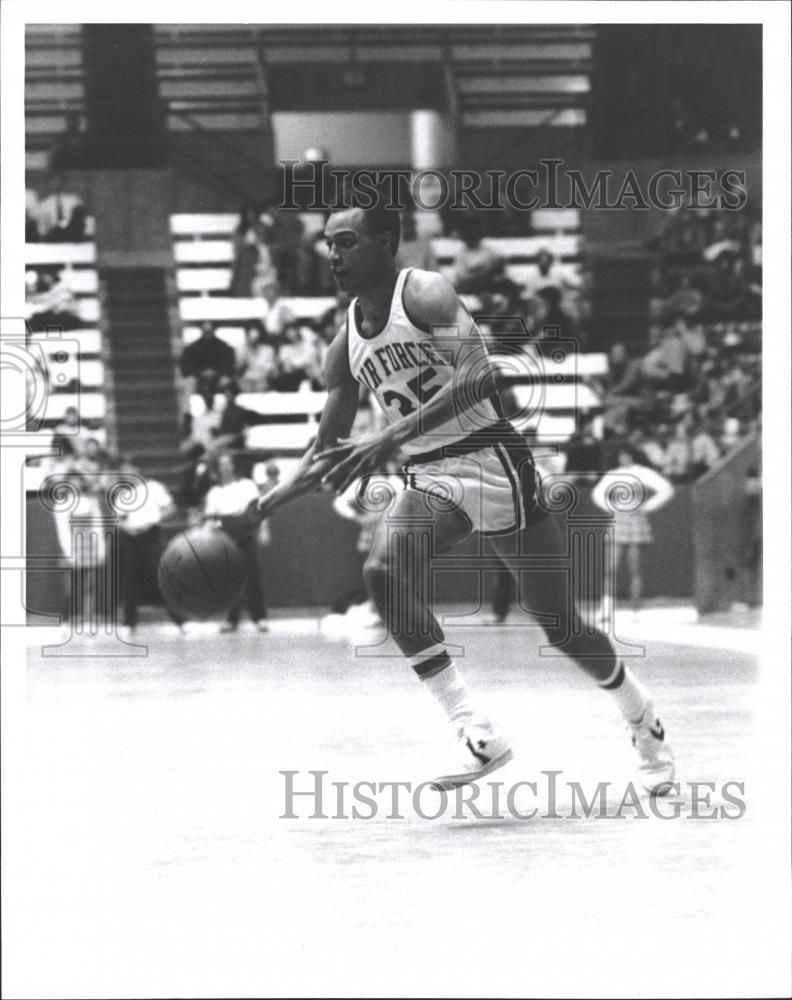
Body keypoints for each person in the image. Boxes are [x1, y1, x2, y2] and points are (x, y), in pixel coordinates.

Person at [247, 200, 675, 794]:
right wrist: (268, 499)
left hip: (492, 456)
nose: (333, 254)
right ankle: (475, 729)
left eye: (345, 241)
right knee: (383, 570)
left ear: (385, 243)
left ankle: (642, 716)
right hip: (430, 473)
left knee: (560, 626)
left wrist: (389, 436)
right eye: (328, 243)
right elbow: (327, 445)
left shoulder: (424, 293)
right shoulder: (344, 344)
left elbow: (481, 377)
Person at [591, 445, 675, 617]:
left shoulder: (643, 473)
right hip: (618, 521)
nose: (624, 459)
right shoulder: (612, 475)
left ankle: (636, 609)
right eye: (621, 456)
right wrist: (612, 507)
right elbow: (597, 494)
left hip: (637, 521)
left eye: (627, 455)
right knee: (611, 568)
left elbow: (667, 489)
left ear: (632, 456)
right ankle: (606, 609)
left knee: (634, 568)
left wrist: (647, 507)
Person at [204, 453, 268, 634]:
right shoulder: (214, 492)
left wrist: (263, 530)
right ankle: (231, 619)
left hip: (246, 530)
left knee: (253, 576)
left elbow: (259, 509)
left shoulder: (247, 486)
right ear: (217, 469)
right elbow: (211, 518)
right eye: (221, 464)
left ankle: (260, 618)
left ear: (233, 466)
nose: (225, 467)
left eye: (228, 463)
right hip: (226, 532)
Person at [179, 322, 236, 397]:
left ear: (213, 331)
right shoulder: (192, 347)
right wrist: (199, 373)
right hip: (198, 377)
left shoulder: (223, 346)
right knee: (189, 383)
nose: (207, 334)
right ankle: (187, 408)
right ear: (202, 331)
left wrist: (218, 373)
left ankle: (228, 407)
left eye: (209, 331)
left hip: (218, 377)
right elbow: (186, 364)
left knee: (227, 382)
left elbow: (228, 363)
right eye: (205, 331)